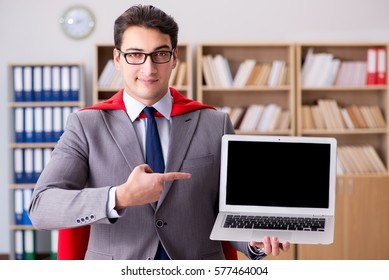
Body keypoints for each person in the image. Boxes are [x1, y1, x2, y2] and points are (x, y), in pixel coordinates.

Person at [28, 4, 290, 260]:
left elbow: (228, 209)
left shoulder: (215, 123)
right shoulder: (86, 126)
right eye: (135, 54)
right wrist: (120, 197)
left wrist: (253, 242)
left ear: (174, 58)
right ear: (117, 59)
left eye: (160, 54)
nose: (149, 68)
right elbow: (42, 207)